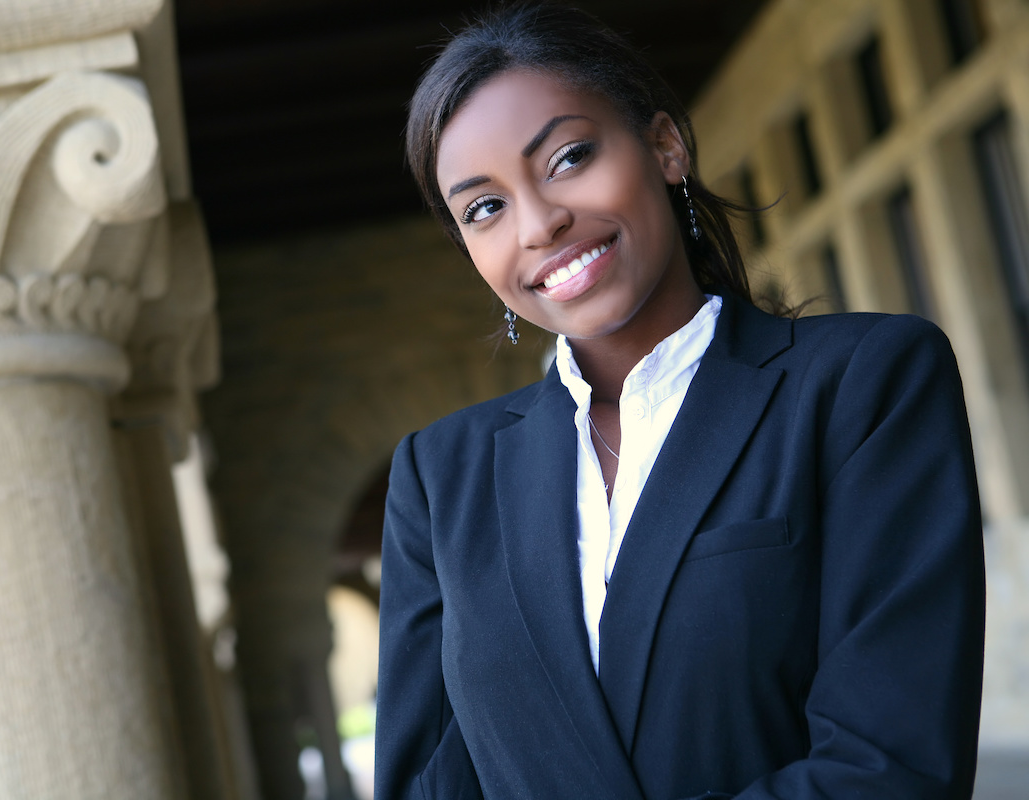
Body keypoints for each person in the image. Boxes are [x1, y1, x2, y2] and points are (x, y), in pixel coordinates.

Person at [375, 3, 986, 798]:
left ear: (666, 147)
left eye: (568, 158)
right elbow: (424, 781)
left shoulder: (863, 385)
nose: (539, 222)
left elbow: (894, 767)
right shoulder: (438, 478)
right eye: (484, 207)